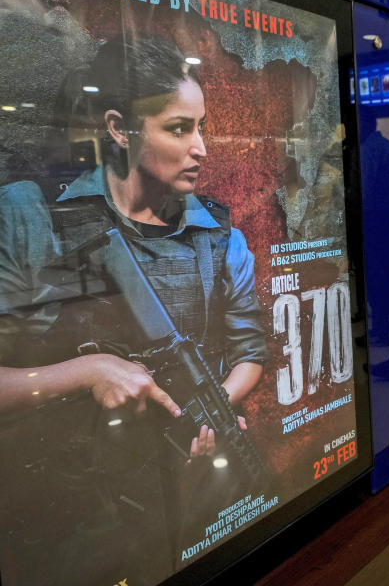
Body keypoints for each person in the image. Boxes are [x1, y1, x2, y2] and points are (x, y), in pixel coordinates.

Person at [0, 36, 267, 585]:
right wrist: (87, 371)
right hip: (60, 524)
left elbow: (250, 352)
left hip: (183, 512)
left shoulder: (220, 235)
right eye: (179, 128)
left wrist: (204, 415)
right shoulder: (31, 216)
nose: (203, 148)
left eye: (202, 126)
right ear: (121, 129)